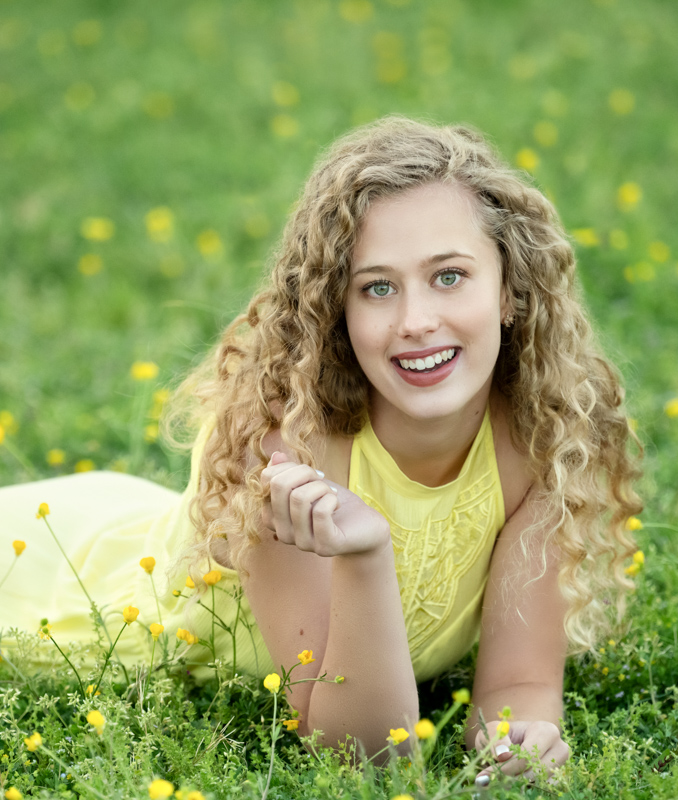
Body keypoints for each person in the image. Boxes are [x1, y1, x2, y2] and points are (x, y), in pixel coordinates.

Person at [0, 116, 641, 784]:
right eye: (377, 287)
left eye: (449, 277)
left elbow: (519, 682)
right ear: (339, 310)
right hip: (66, 592)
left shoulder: (543, 440)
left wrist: (521, 743)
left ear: (510, 291)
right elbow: (363, 754)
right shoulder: (286, 450)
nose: (416, 320)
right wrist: (364, 556)